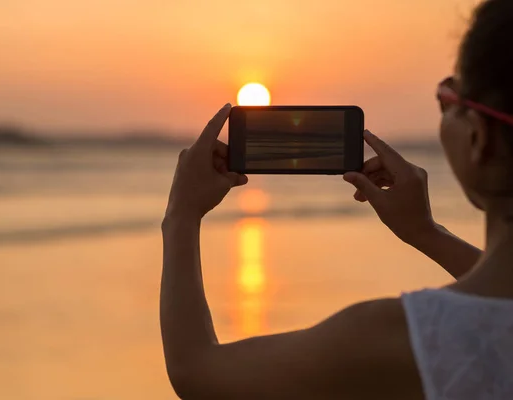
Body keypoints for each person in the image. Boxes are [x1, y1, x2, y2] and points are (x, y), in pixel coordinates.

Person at [160, 0, 513, 397]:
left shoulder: (406, 338)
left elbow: (197, 371)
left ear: (479, 138)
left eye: (448, 98)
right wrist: (425, 232)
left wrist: (180, 216)